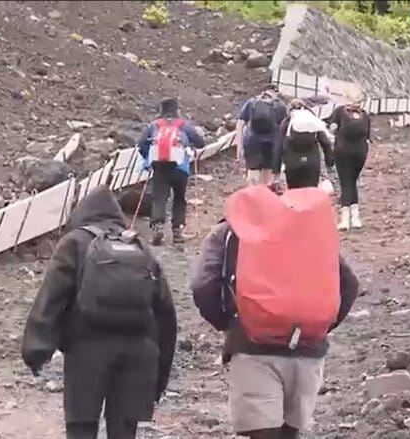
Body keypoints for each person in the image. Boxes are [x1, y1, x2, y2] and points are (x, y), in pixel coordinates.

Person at [190, 185, 359, 439]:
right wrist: (320, 323)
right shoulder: (306, 229)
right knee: (289, 433)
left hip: (254, 349)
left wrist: (230, 324)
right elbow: (349, 283)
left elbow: (202, 285)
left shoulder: (229, 230)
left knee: (262, 434)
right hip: (308, 349)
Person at [21, 186, 177, 439]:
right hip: (138, 353)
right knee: (124, 429)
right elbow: (166, 315)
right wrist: (160, 375)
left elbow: (51, 299)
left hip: (86, 351)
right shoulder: (139, 247)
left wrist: (36, 350)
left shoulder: (74, 243)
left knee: (81, 425)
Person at [137, 97, 205, 246]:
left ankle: (158, 228)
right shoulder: (183, 125)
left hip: (160, 166)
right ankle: (177, 231)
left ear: (161, 109)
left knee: (159, 197)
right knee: (179, 198)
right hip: (180, 167)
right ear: (176, 109)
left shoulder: (154, 125)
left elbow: (141, 143)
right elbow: (200, 142)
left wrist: (147, 158)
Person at [328, 88, 371, 231]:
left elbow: (332, 128)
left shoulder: (340, 112)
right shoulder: (364, 115)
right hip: (358, 152)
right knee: (352, 182)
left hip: (345, 150)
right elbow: (368, 137)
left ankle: (345, 218)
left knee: (346, 182)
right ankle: (355, 215)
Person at [273, 99, 334, 190]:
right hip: (311, 163)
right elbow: (326, 143)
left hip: (292, 163)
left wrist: (276, 168)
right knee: (310, 193)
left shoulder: (287, 123)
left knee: (294, 193)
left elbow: (278, 146)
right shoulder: (313, 123)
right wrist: (329, 162)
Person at [236, 85, 288, 187]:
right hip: (271, 143)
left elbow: (240, 123)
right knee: (267, 177)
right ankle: (263, 196)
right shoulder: (280, 105)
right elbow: (284, 128)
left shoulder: (252, 102)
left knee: (252, 172)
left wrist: (239, 146)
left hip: (252, 141)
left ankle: (252, 195)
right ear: (276, 92)